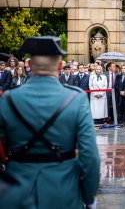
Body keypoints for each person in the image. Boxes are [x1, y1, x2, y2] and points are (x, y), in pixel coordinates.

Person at [0, 36, 100, 208]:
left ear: (29, 65)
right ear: (60, 66)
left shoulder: (7, 99)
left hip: (15, 193)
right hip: (63, 192)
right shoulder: (76, 99)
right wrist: (88, 196)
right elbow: (90, 156)